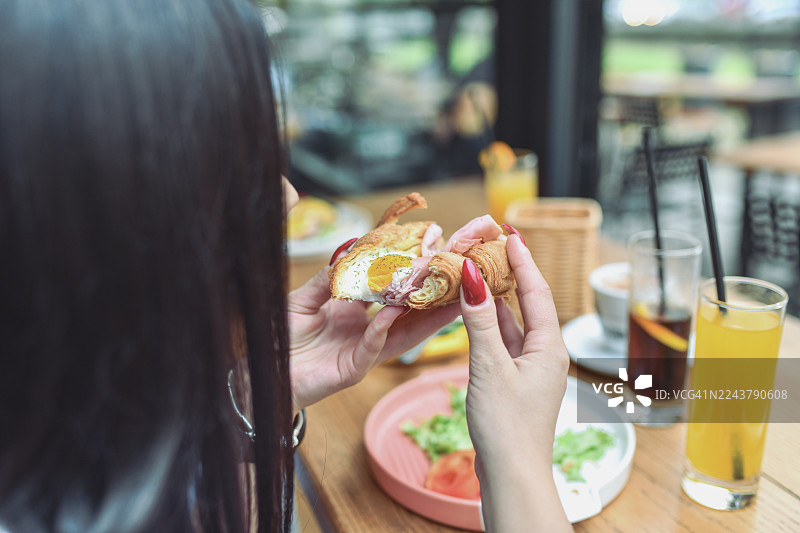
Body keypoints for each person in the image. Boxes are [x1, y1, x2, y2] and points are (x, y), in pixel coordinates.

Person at [0, 1, 572, 532]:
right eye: (221, 155)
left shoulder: (93, 444)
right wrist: (520, 469)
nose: (285, 197)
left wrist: (254, 404)